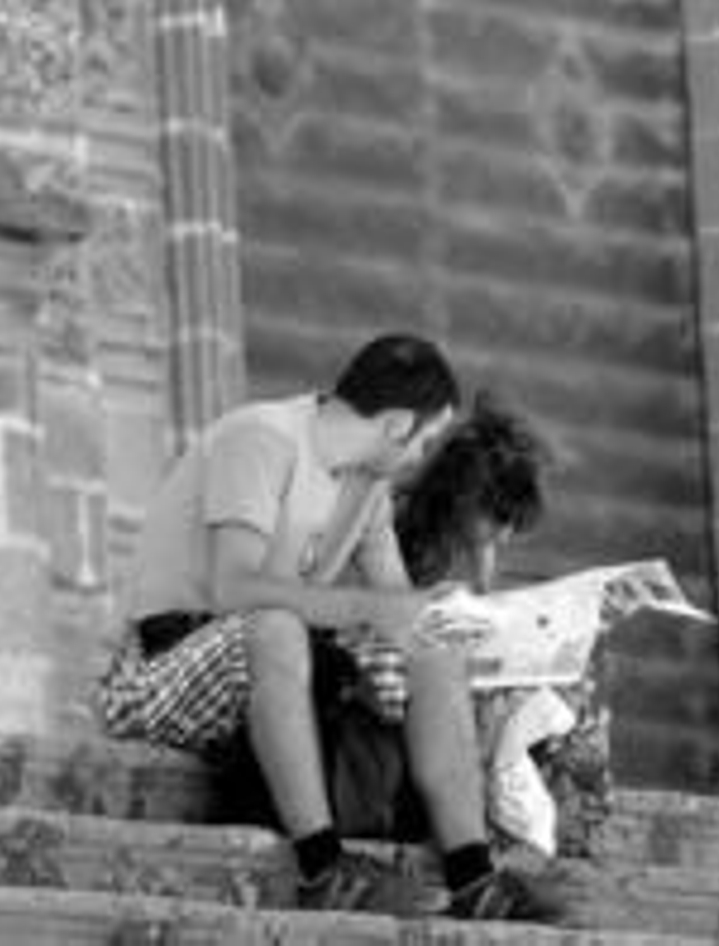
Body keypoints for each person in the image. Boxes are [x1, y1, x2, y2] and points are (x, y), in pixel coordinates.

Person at [98, 334, 561, 922]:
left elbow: (396, 604)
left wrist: (457, 618)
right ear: (396, 424)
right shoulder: (261, 438)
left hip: (273, 663)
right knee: (275, 627)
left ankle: (473, 878)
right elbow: (232, 590)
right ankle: (322, 865)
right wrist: (370, 610)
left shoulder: (366, 487)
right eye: (423, 438)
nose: (422, 456)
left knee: (432, 651)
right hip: (163, 667)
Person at [395, 391, 552, 593]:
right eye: (500, 520)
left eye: (511, 525)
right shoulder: (394, 515)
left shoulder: (470, 520)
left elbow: (483, 555)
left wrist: (482, 589)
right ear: (461, 496)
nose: (503, 538)